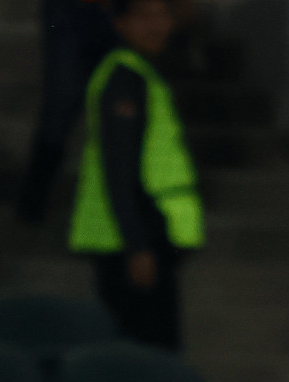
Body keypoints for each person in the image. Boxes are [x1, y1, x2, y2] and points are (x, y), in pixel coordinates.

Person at [68, 0, 203, 349]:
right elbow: (119, 166)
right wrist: (137, 246)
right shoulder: (123, 77)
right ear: (121, 24)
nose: (158, 26)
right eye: (145, 16)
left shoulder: (142, 74)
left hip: (146, 233)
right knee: (144, 354)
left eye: (163, 15)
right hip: (132, 237)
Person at [14, 0, 120, 223]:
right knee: (60, 106)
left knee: (118, 107)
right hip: (72, 10)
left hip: (115, 11)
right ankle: (33, 200)